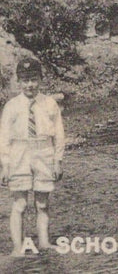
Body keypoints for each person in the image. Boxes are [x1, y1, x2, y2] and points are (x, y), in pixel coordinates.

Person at [0, 58, 64, 256]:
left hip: (44, 153)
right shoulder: (11, 106)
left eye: (34, 79)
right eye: (26, 80)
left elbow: (59, 134)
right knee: (20, 203)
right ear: (19, 82)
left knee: (42, 203)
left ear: (40, 80)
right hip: (19, 154)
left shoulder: (50, 103)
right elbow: (3, 138)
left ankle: (44, 242)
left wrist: (57, 161)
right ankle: (18, 248)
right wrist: (5, 165)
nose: (30, 85)